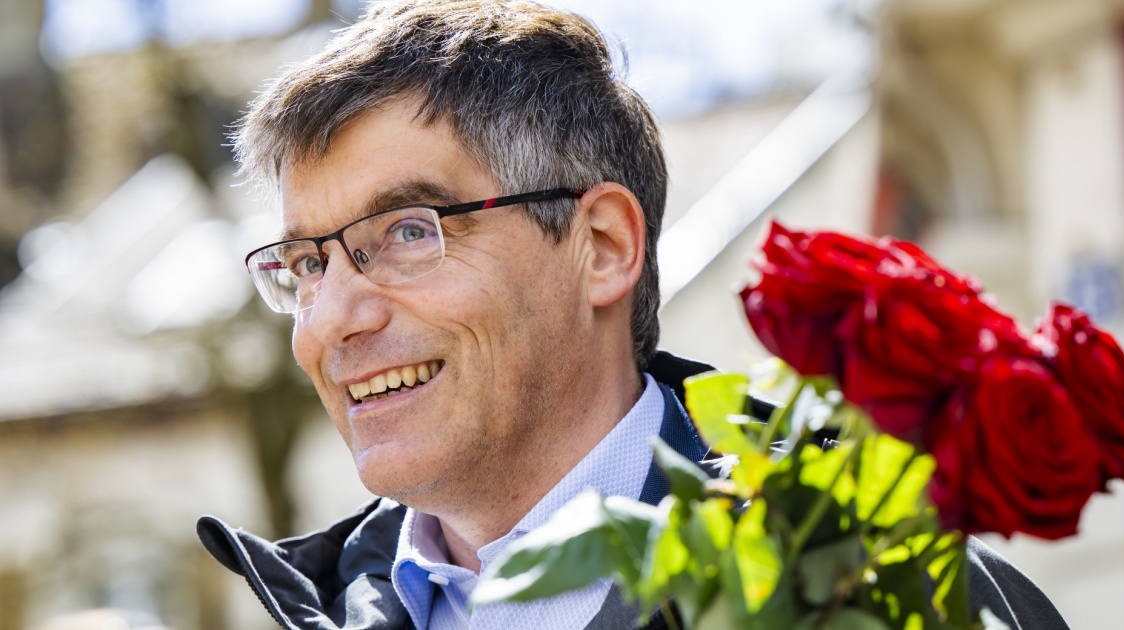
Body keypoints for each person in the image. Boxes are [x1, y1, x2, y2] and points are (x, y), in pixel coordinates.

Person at [197, 2, 1071, 628]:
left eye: (407, 232)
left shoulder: (872, 583)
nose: (329, 322)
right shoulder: (327, 606)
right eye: (306, 264)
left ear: (604, 246)